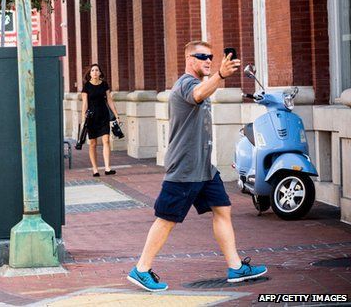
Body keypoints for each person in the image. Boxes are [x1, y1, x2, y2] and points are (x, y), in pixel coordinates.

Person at [127, 41, 267, 292]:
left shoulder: (203, 83)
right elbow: (199, 94)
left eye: (210, 57)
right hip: (184, 168)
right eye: (202, 56)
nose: (208, 60)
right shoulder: (185, 84)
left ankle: (235, 267)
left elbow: (205, 90)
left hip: (204, 168)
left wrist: (217, 77)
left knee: (223, 208)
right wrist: (221, 74)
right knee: (166, 219)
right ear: (189, 59)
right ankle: (141, 269)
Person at [79, 63, 120, 177]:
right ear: (90, 73)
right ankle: (95, 169)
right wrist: (83, 120)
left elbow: (110, 101)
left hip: (103, 116)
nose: (95, 72)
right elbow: (85, 104)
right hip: (91, 118)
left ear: (100, 73)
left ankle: (107, 168)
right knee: (93, 143)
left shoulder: (104, 85)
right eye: (92, 70)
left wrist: (116, 114)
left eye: (97, 70)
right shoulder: (86, 86)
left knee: (106, 140)